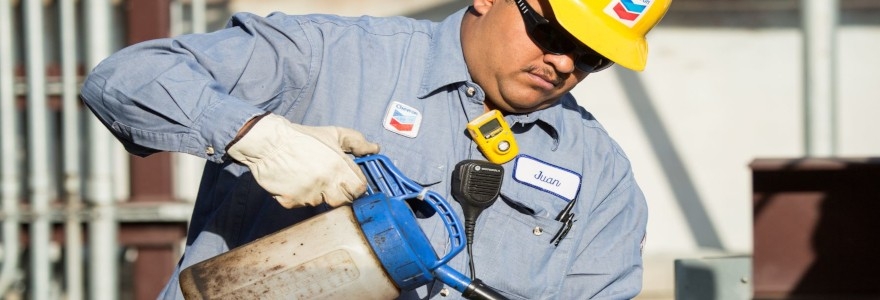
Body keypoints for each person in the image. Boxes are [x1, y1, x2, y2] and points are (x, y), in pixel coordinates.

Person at [80, 0, 671, 298]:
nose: (564, 62)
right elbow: (124, 77)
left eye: (593, 56)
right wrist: (257, 135)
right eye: (551, 31)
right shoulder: (329, 58)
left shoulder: (601, 175)